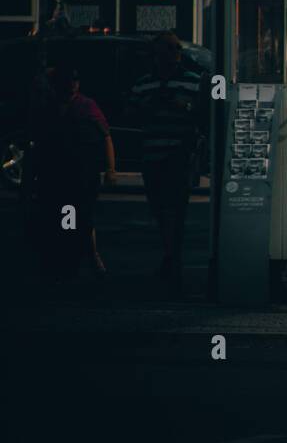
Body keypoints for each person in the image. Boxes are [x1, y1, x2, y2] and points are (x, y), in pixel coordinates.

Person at [130, 33, 206, 294]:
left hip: (179, 155)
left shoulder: (193, 82)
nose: (172, 56)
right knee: (160, 209)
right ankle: (170, 255)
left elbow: (204, 114)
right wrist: (150, 106)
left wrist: (184, 108)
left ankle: (173, 260)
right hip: (153, 154)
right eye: (166, 52)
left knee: (176, 209)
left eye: (175, 50)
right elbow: (132, 113)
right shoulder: (144, 84)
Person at [29, 62, 115, 279]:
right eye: (69, 81)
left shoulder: (86, 106)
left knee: (78, 216)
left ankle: (76, 257)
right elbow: (39, 143)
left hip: (80, 173)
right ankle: (70, 257)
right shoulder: (50, 106)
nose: (72, 85)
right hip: (58, 173)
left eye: (75, 81)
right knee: (63, 215)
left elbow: (106, 136)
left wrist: (110, 168)